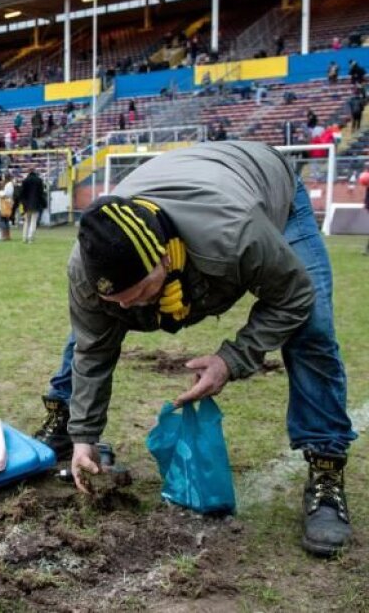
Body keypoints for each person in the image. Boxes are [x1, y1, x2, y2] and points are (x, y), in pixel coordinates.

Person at [33, 141, 355, 558]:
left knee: (312, 330)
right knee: (90, 329)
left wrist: (232, 359)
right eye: (118, 298)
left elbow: (293, 296)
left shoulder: (235, 234)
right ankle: (66, 427)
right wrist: (85, 435)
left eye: (140, 291)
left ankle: (326, 468)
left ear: (165, 257)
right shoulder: (89, 262)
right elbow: (93, 349)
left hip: (268, 188)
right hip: (194, 179)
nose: (128, 305)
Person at [19, 168, 45, 243]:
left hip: (26, 204)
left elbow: (22, 194)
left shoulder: (25, 181)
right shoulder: (39, 180)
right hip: (36, 204)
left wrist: (23, 203)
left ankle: (24, 237)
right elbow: (41, 193)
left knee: (26, 221)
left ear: (28, 172)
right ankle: (31, 237)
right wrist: (42, 203)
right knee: (33, 221)